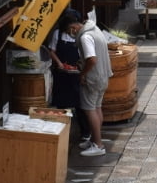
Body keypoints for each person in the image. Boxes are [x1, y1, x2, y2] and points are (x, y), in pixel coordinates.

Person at [71, 18, 112, 156]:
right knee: (97, 107)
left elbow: (92, 59)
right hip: (103, 76)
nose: (71, 34)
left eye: (70, 31)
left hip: (93, 79)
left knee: (90, 110)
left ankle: (98, 145)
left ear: (74, 28)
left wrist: (82, 74)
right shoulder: (95, 29)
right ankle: (95, 139)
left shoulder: (85, 36)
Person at [47, 10, 89, 140]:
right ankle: (62, 132)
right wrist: (59, 63)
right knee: (61, 103)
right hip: (62, 74)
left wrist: (80, 66)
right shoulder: (57, 34)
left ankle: (85, 132)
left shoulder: (81, 35)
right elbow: (51, 50)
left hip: (77, 73)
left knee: (79, 103)